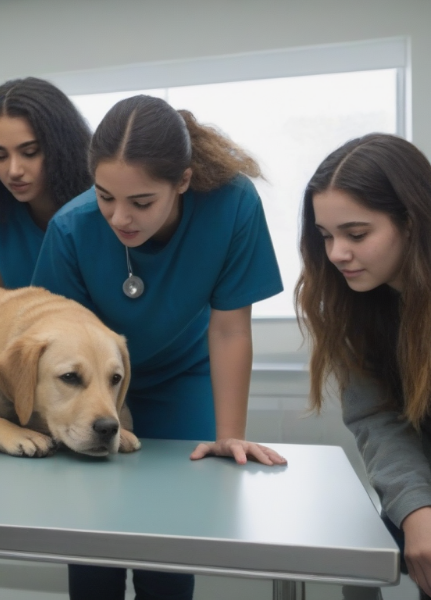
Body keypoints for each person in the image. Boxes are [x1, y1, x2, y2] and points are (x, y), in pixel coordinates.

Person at [30, 95, 288, 600]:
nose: (119, 218)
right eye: (105, 196)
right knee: (93, 546)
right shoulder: (70, 228)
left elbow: (231, 329)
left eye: (141, 202)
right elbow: (57, 346)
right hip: (93, 389)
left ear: (184, 181)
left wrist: (231, 435)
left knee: (169, 546)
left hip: (184, 376)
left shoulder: (233, 205)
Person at [295, 133, 431, 599]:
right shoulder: (358, 307)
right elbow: (379, 419)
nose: (336, 254)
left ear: (411, 223)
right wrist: (417, 510)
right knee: (359, 560)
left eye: (356, 235)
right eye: (326, 236)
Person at [0, 76, 92, 288]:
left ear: (63, 149)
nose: (14, 171)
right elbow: (7, 308)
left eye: (30, 152)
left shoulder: (100, 211)